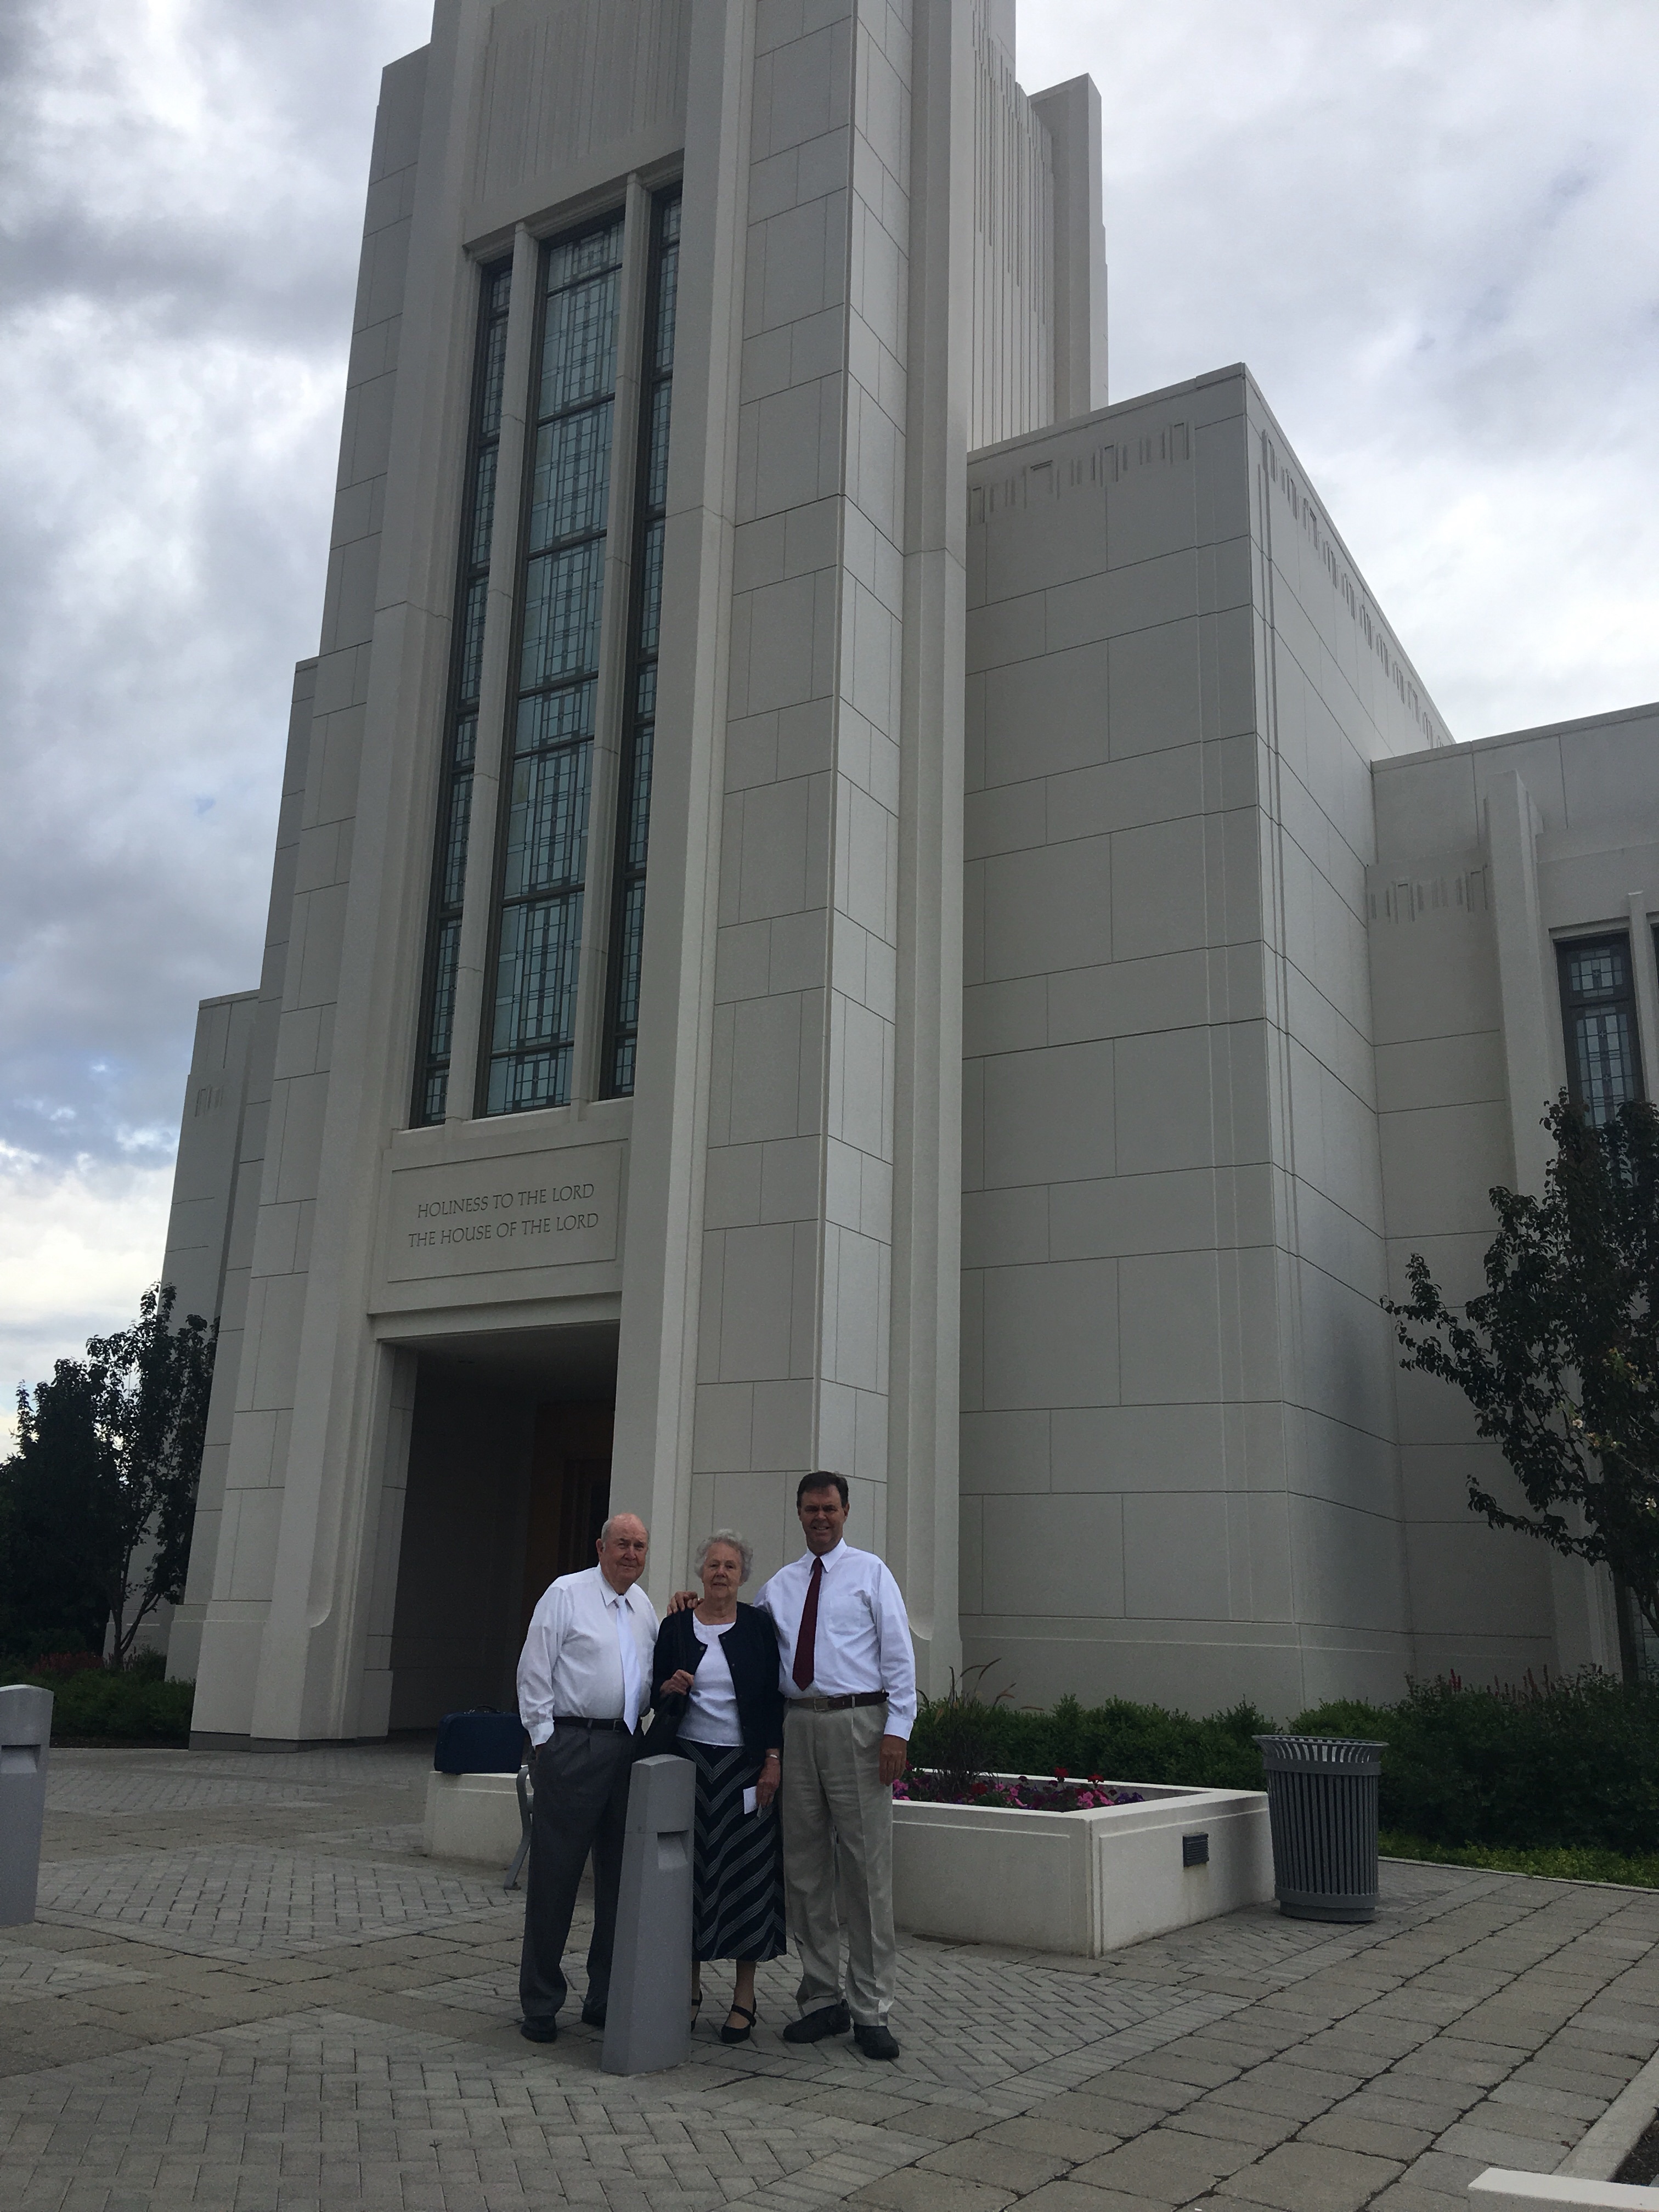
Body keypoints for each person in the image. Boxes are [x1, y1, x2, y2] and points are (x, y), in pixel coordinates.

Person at [758, 1471, 916, 2061]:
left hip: (859, 1726)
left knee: (866, 1872)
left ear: (845, 1512)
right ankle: (822, 1998)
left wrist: (897, 1730)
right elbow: (744, 1646)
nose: (819, 1518)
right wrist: (692, 1606)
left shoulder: (872, 1574)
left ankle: (871, 2007)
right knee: (804, 1870)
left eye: (829, 1508)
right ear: (799, 1514)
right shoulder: (779, 1586)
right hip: (796, 1725)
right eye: (809, 1509)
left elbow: (899, 1658)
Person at [515, 1510, 657, 2043]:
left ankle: (604, 1996)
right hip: (572, 1745)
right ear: (600, 1547)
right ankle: (541, 2003)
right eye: (621, 1544)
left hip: (626, 1748)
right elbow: (534, 1670)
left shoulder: (644, 1608)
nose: (630, 1555)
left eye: (640, 1547)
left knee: (620, 1883)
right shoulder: (566, 1594)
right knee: (555, 1879)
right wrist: (544, 1741)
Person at [651, 1530, 786, 2041]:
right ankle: (688, 1990)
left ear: (742, 1575)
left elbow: (773, 1701)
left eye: (731, 1566)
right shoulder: (675, 1627)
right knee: (688, 1879)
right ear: (700, 1573)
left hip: (745, 1769)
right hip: (686, 1764)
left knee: (745, 1877)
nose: (721, 1573)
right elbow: (652, 1688)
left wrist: (772, 1759)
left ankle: (744, 1998)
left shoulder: (757, 1628)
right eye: (713, 1565)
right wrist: (666, 1688)